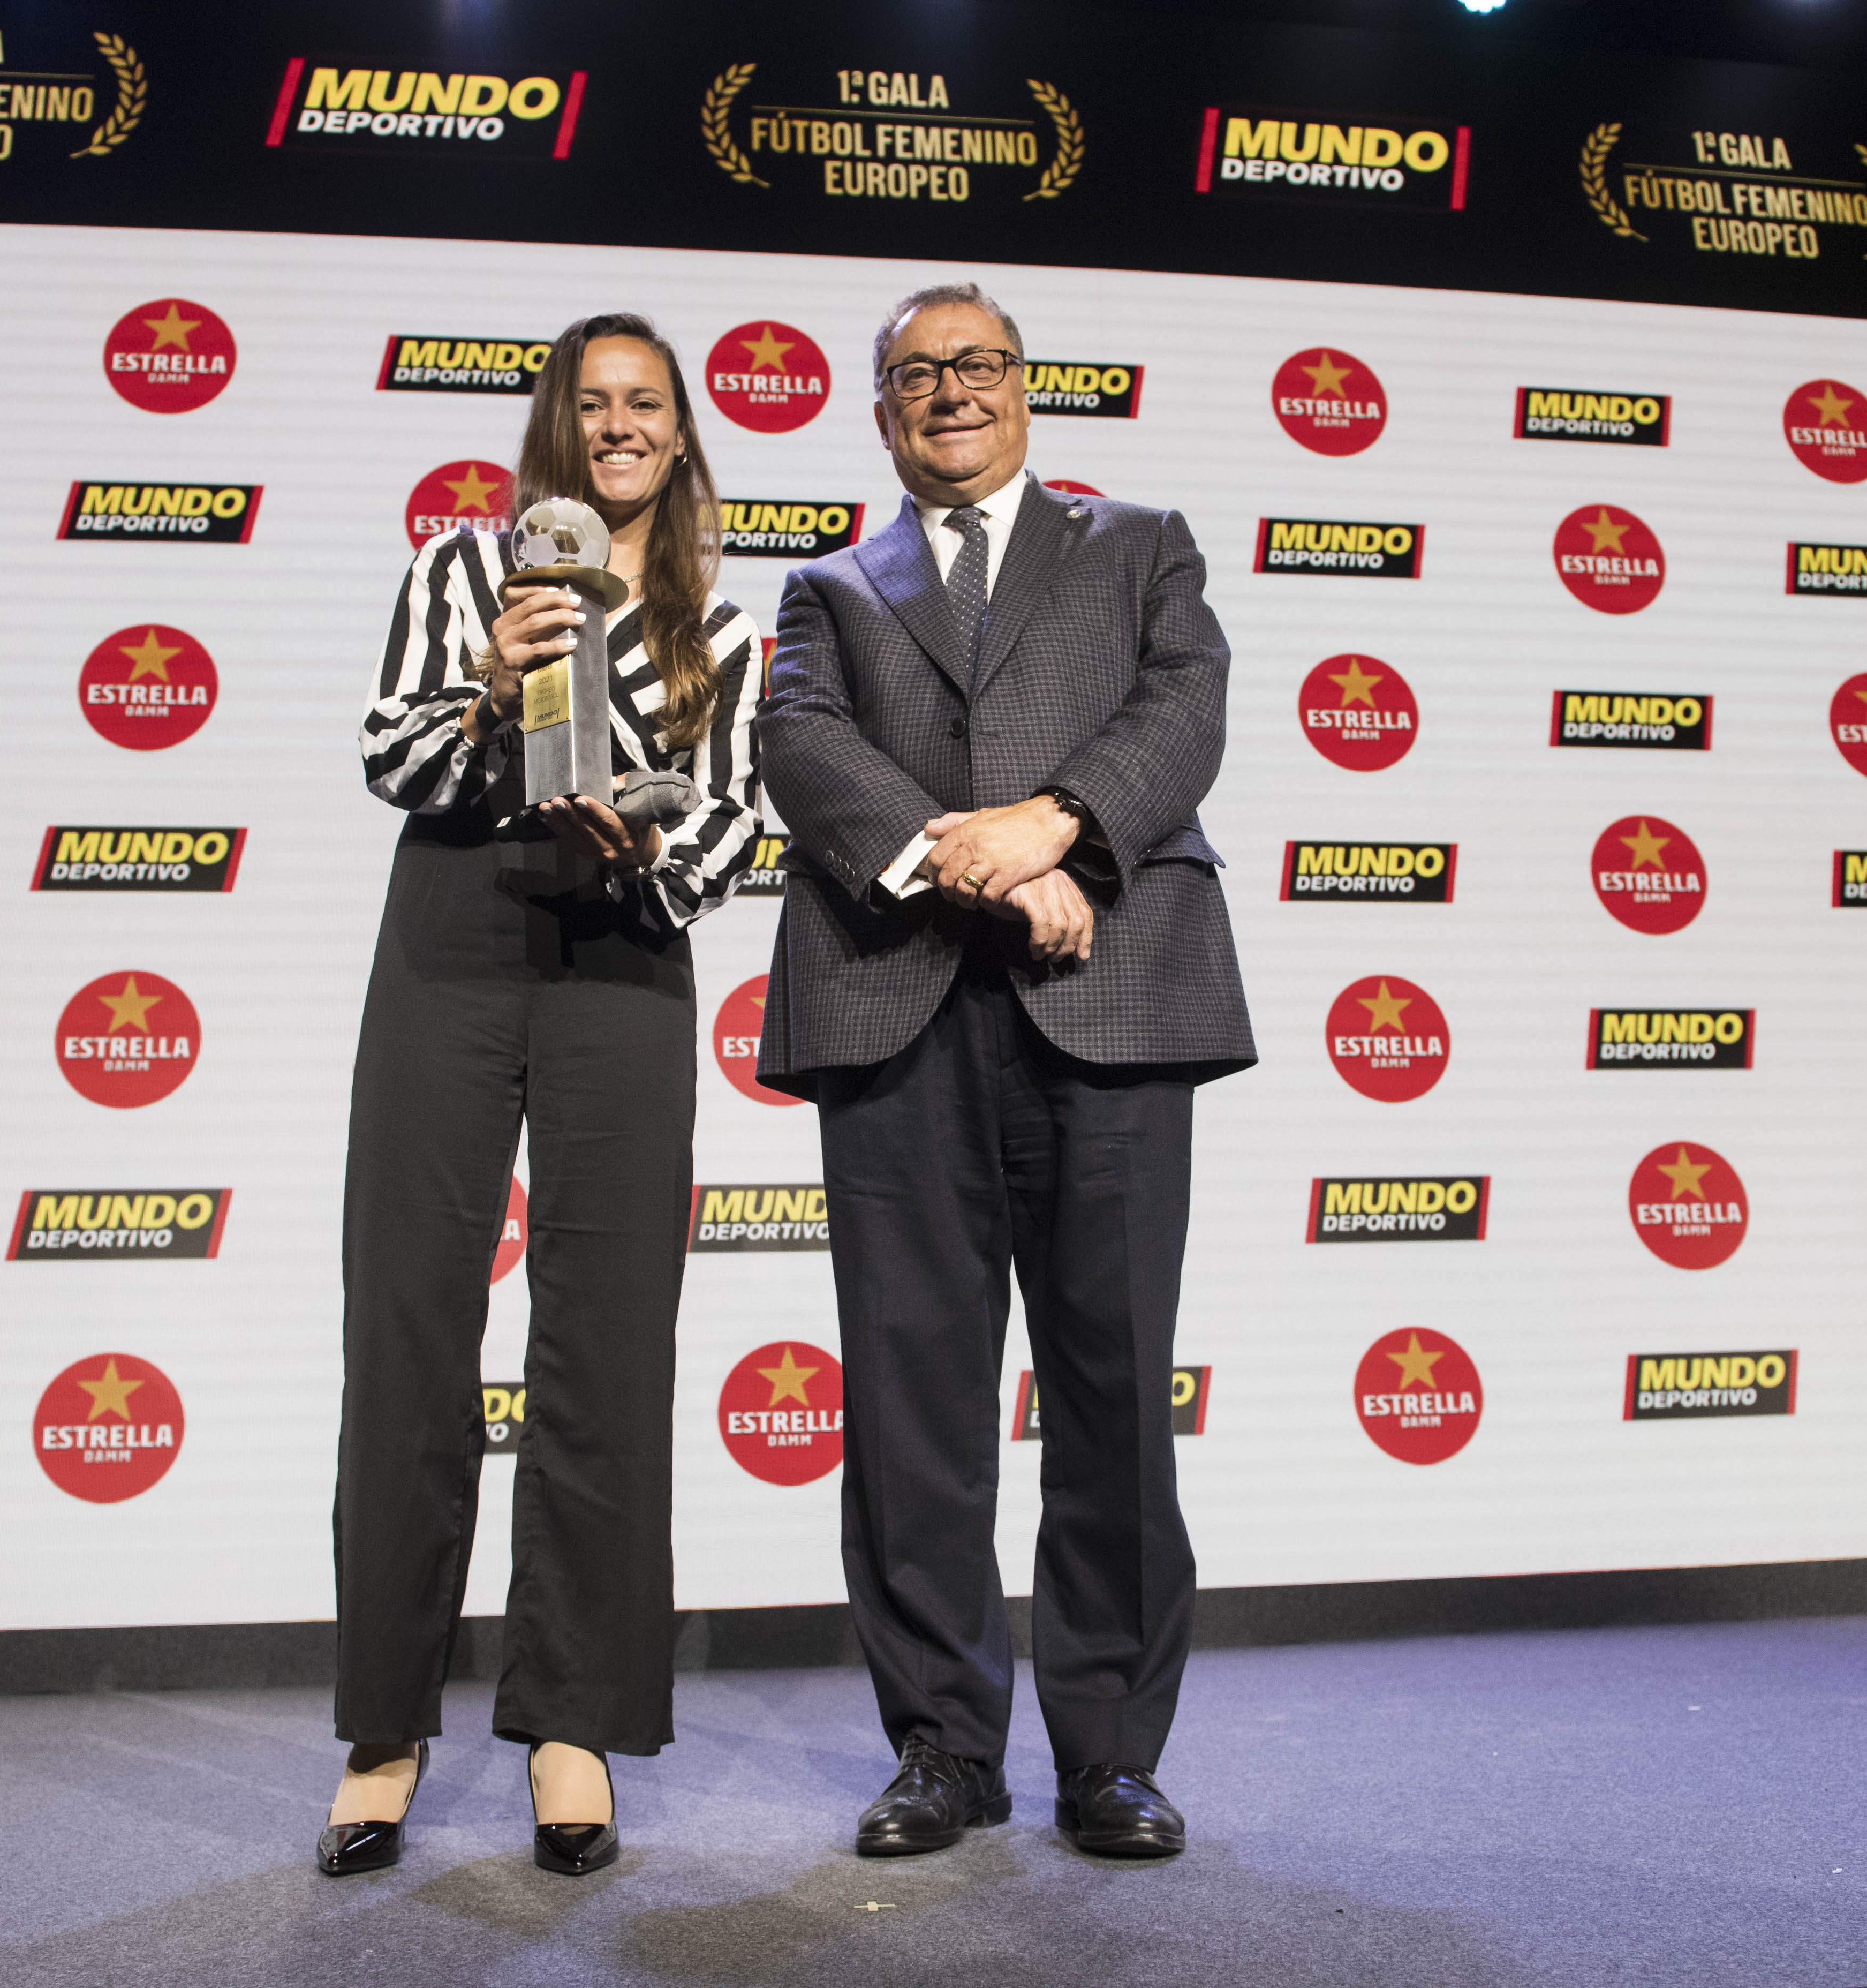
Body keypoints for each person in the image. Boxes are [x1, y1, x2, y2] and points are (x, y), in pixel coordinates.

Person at [753, 282, 1254, 1861]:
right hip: (896, 1005)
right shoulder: (827, 587)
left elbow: (1186, 709)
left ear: (1027, 388)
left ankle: (1110, 1753)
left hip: (1107, 999)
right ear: (881, 408)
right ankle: (944, 1751)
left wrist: (1057, 828)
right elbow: (803, 745)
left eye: (977, 365)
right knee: (912, 1407)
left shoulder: (1141, 542)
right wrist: (974, 863)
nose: (949, 392)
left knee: (1111, 1389)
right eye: (916, 374)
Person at [321, 313, 762, 1879]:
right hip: (454, 937)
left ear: (682, 435)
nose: (622, 426)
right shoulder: (464, 570)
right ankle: (383, 1728)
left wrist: (644, 845)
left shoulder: (726, 623)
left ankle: (571, 1728)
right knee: (412, 1326)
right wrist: (495, 698)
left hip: (621, 957)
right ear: (557, 428)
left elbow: (731, 837)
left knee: (607, 1341)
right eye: (595, 404)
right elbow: (392, 757)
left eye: (648, 405)